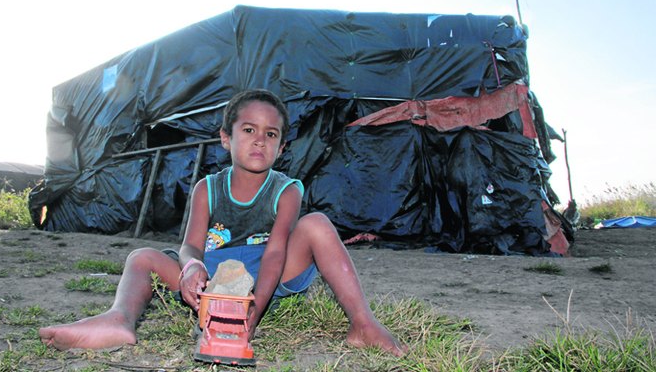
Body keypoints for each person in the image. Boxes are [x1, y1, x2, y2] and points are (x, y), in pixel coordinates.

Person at [39, 89, 406, 356]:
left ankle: (363, 323)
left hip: (267, 278)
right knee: (142, 257)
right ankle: (119, 319)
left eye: (271, 134)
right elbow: (191, 245)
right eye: (248, 130)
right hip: (211, 282)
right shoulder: (207, 188)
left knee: (318, 224)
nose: (260, 140)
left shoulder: (287, 190)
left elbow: (277, 252)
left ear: (281, 147)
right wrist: (192, 267)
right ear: (226, 139)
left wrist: (254, 312)